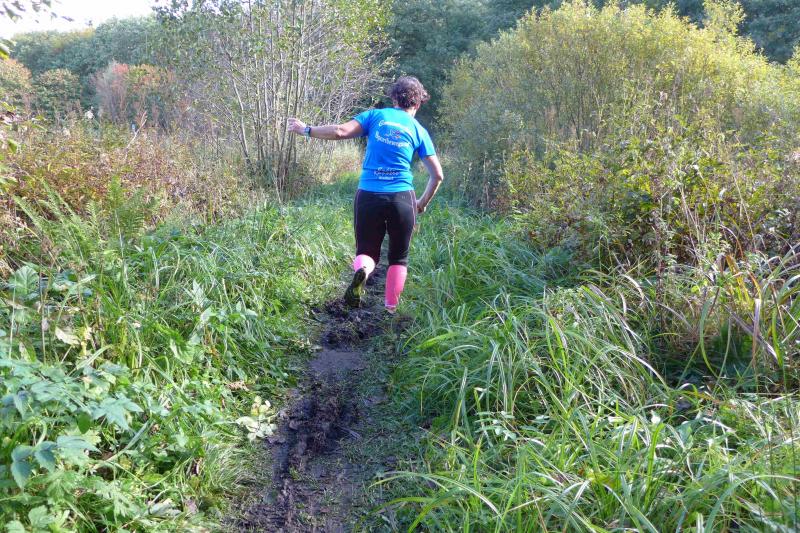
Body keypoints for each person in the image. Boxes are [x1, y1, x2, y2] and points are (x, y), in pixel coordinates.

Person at [287, 76, 444, 313]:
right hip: (402, 198)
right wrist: (421, 202)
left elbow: (340, 131)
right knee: (398, 258)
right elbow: (437, 175)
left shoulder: (375, 116)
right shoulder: (418, 130)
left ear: (393, 98)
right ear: (419, 103)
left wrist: (306, 130)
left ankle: (364, 270)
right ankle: (390, 310)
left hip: (369, 195)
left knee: (367, 252)